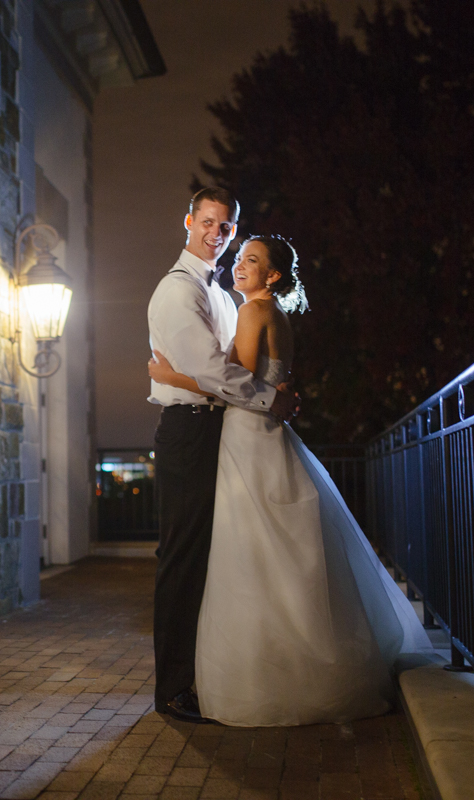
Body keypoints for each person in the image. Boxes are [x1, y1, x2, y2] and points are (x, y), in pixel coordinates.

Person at [149, 234, 432, 726]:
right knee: (274, 546)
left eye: (252, 260)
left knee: (250, 546)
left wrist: (170, 377)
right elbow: (267, 382)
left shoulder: (255, 313)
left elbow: (232, 381)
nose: (240, 266)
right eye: (240, 258)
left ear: (273, 275)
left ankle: (265, 673)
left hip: (247, 434)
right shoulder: (275, 315)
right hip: (266, 431)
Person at [146, 189, 299, 724]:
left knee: (213, 558)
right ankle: (171, 689)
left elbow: (237, 365)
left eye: (227, 226)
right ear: (188, 221)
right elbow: (213, 374)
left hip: (220, 430)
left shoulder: (224, 296)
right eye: (208, 221)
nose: (218, 232)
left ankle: (201, 676)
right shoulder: (177, 291)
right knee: (183, 559)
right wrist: (269, 398)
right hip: (189, 431)